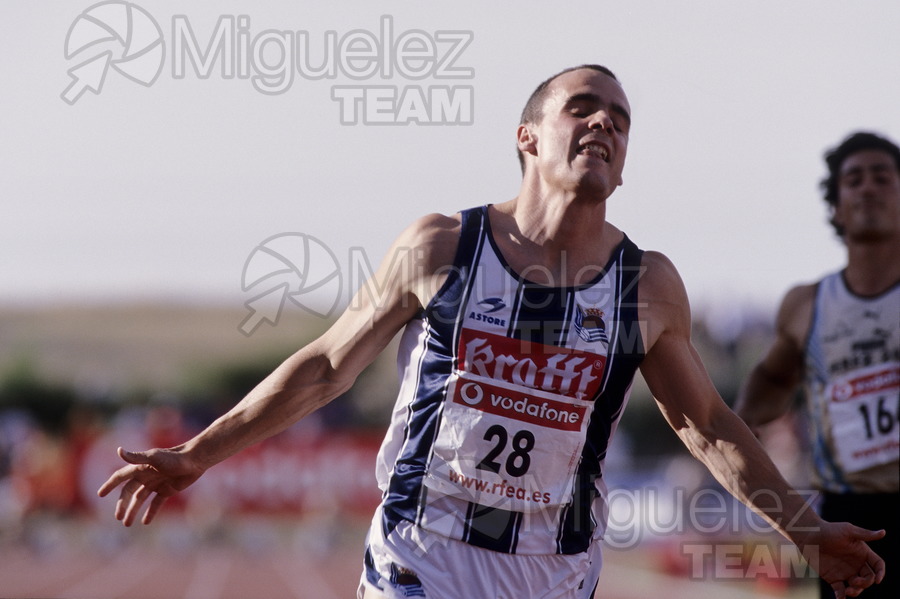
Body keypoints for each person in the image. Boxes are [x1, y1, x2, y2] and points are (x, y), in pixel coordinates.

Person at [98, 65, 886, 599]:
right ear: (529, 137)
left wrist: (806, 528)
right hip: (422, 551)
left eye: (621, 119)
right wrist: (196, 452)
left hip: (553, 570)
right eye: (582, 107)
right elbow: (326, 365)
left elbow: (707, 425)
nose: (605, 121)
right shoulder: (443, 245)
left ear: (626, 163)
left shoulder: (647, 284)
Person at [735, 131, 899, 598]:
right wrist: (740, 428)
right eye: (854, 180)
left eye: (883, 177)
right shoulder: (807, 304)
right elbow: (771, 379)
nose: (868, 188)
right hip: (848, 516)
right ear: (836, 206)